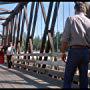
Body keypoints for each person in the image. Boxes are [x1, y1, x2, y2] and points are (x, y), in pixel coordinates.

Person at [60, 2, 90, 88]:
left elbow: (65, 39)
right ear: (84, 10)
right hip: (86, 52)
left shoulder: (70, 19)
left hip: (74, 52)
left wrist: (63, 52)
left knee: (68, 78)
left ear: (75, 10)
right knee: (84, 79)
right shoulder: (89, 22)